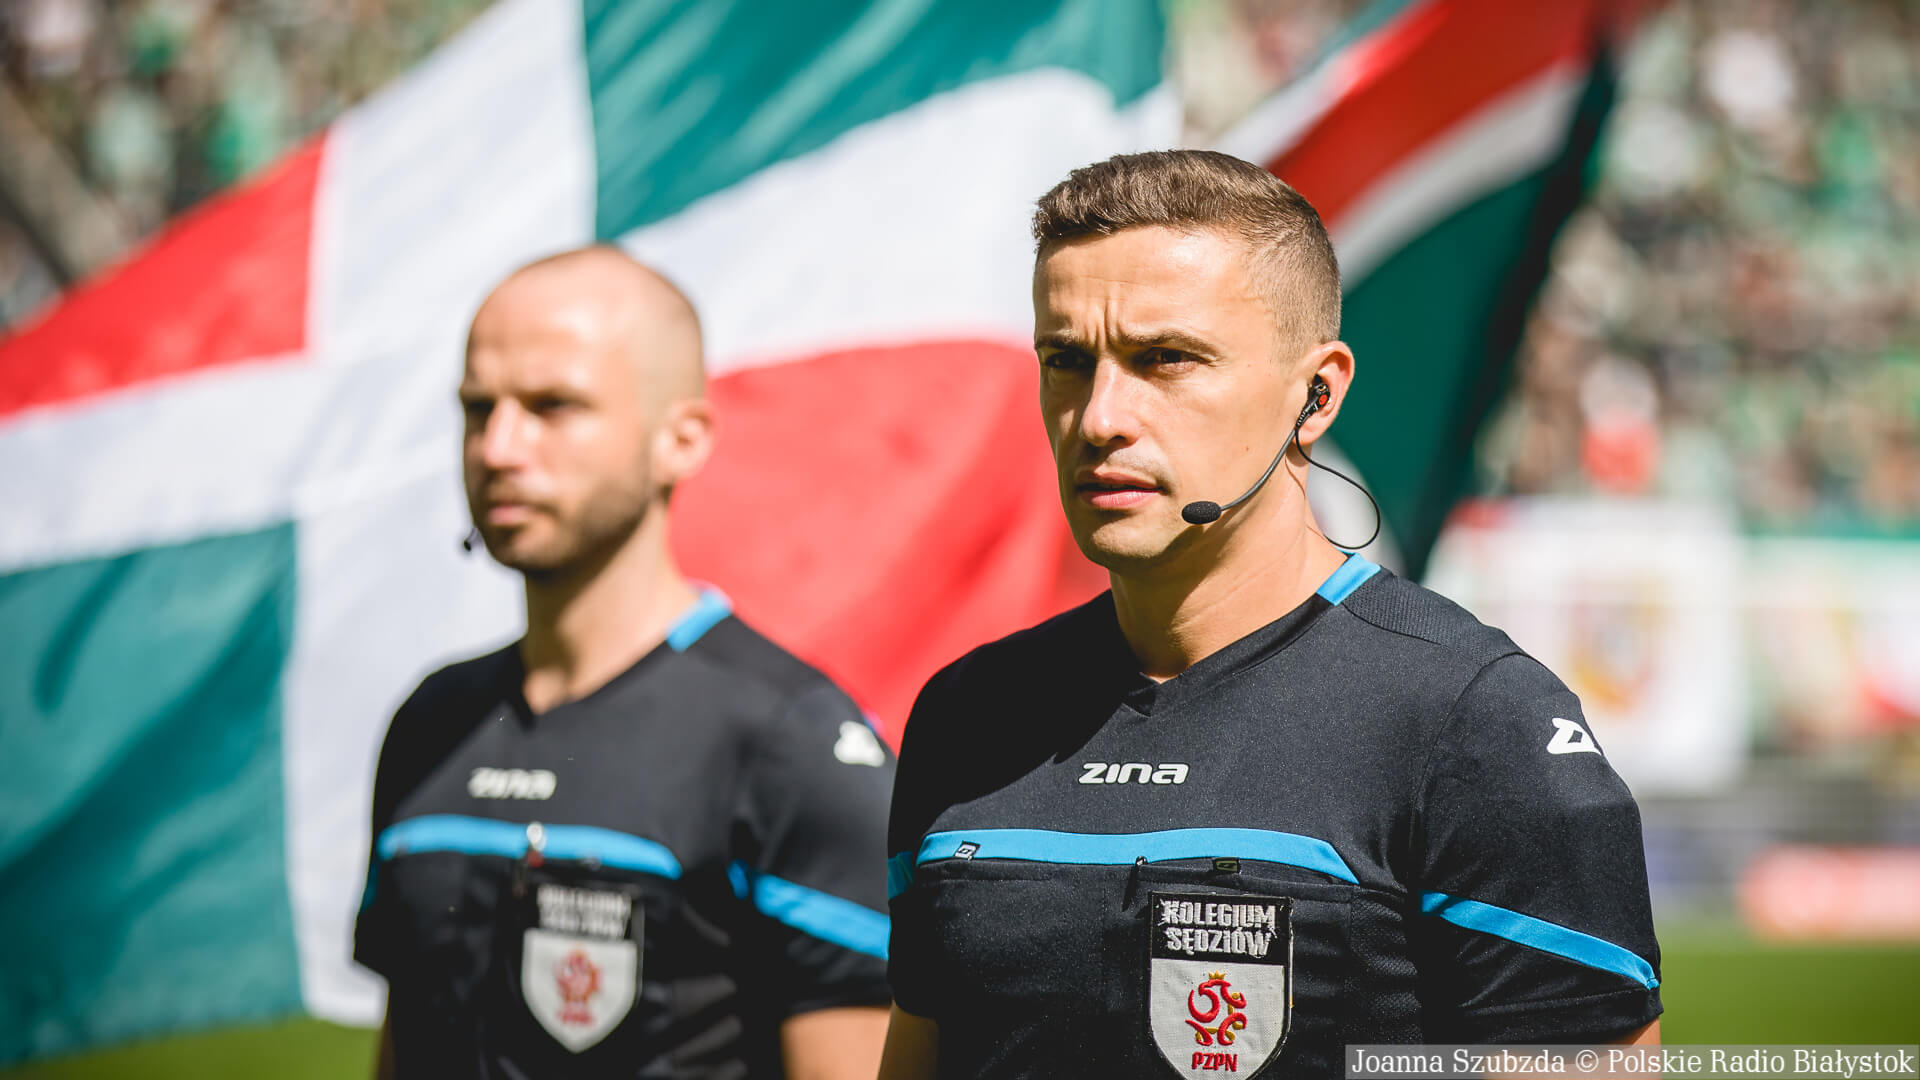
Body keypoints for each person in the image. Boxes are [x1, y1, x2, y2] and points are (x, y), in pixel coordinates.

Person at [877, 151, 1663, 1079]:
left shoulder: (1477, 723)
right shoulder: (968, 713)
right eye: (1067, 361)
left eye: (1165, 358)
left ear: (1316, 393)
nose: (1098, 418)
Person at [355, 247, 895, 1080]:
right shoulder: (431, 721)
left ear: (681, 440)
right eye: (478, 408)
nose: (498, 447)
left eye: (553, 406)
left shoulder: (790, 744)